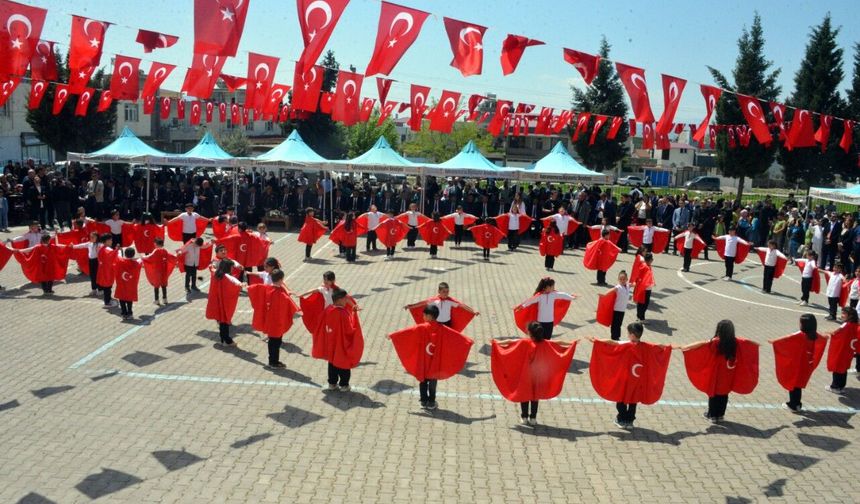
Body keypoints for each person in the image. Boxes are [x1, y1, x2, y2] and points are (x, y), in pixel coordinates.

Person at [389, 304, 474, 410]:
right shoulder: (442, 328)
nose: (423, 317)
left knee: (423, 381)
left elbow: (407, 332)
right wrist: (467, 341)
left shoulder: (421, 327)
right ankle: (431, 402)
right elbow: (455, 336)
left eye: (424, 315)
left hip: (423, 361)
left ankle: (423, 401)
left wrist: (393, 335)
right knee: (433, 382)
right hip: (435, 362)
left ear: (429, 316)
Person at [588, 323, 672, 429]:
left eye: (628, 333)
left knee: (621, 398)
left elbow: (611, 342)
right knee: (633, 400)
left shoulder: (626, 344)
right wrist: (670, 347)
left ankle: (621, 419)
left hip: (625, 379)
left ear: (632, 335)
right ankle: (630, 421)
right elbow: (659, 346)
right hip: (636, 380)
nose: (627, 334)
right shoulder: (646, 346)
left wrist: (596, 341)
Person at [490, 321, 576, 426]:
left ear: (529, 333)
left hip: (525, 375)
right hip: (538, 375)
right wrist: (572, 343)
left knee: (524, 394)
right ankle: (533, 418)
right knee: (535, 396)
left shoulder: (525, 342)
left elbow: (510, 342)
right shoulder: (545, 343)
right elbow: (558, 342)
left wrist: (496, 343)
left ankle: (524, 417)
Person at [679, 320, 760, 423]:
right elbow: (749, 342)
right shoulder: (736, 342)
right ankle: (720, 415)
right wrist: (757, 344)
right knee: (724, 395)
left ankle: (712, 415)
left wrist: (685, 347)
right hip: (729, 375)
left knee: (714, 395)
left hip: (717, 375)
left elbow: (702, 344)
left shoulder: (716, 342)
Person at [768, 313, 827, 412]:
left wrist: (774, 341)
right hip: (807, 364)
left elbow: (787, 338)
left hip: (798, 365)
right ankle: (798, 404)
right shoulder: (814, 335)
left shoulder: (800, 335)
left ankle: (793, 405)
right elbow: (823, 338)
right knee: (798, 385)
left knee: (793, 384)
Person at [312, 288, 363, 391]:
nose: (347, 301)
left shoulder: (328, 309)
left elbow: (321, 322)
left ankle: (332, 383)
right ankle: (344, 385)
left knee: (332, 363)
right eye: (345, 299)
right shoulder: (343, 313)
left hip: (331, 342)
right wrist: (354, 315)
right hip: (342, 343)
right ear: (339, 300)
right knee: (343, 363)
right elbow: (349, 329)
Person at [248, 269, 300, 368]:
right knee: (276, 342)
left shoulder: (267, 288)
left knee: (273, 341)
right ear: (281, 280)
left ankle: (273, 360)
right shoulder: (281, 294)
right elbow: (291, 306)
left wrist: (245, 286)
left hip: (269, 320)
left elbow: (255, 288)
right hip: (277, 322)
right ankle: (273, 362)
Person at [404, 282, 479, 330]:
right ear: (439, 291)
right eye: (444, 292)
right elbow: (422, 303)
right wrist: (410, 306)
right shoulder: (434, 300)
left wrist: (473, 311)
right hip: (437, 323)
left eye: (447, 291)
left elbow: (462, 305)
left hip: (447, 323)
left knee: (447, 338)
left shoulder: (450, 301)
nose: (446, 293)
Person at [206, 259, 245, 347]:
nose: (232, 269)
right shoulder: (226, 276)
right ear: (228, 267)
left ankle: (223, 340)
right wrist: (241, 284)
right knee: (224, 322)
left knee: (221, 322)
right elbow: (235, 281)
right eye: (231, 267)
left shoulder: (216, 273)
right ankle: (227, 341)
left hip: (217, 302)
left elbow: (211, 267)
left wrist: (212, 264)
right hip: (224, 303)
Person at [825, 306, 859, 394]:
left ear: (850, 316)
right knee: (843, 369)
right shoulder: (855, 325)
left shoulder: (846, 325)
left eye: (844, 313)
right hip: (848, 351)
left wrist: (830, 334)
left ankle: (835, 387)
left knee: (837, 369)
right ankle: (841, 386)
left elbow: (838, 334)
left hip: (841, 351)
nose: (842, 315)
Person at [141, 237, 177, 305]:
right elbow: (171, 256)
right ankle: (165, 299)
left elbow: (149, 257)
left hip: (157, 271)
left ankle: (157, 300)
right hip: (164, 270)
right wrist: (177, 255)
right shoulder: (164, 251)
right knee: (164, 285)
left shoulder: (156, 251)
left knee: (156, 285)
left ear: (155, 244)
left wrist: (142, 257)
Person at [114, 247, 143, 320]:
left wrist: (119, 250)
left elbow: (118, 256)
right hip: (131, 285)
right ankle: (130, 313)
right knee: (129, 298)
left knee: (121, 297)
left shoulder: (121, 261)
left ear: (125, 254)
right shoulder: (136, 263)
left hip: (121, 283)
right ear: (133, 254)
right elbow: (141, 259)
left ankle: (124, 313)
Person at [71, 231, 102, 296]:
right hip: (91, 261)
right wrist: (73, 246)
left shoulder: (100, 244)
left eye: (93, 237)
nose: (91, 238)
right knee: (92, 275)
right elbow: (81, 245)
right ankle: (94, 289)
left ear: (97, 237)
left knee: (98, 276)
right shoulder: (89, 243)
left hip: (97, 261)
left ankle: (100, 289)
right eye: (90, 237)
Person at [608, 271, 631, 340]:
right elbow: (611, 290)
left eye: (624, 279)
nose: (622, 281)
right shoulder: (618, 287)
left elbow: (633, 284)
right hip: (616, 309)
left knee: (619, 324)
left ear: (627, 279)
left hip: (622, 309)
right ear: (618, 279)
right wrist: (604, 294)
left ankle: (617, 336)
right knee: (615, 324)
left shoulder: (627, 286)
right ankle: (614, 337)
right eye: (620, 279)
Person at [633, 254, 655, 323]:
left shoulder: (646, 265)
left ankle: (639, 317)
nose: (652, 260)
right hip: (645, 288)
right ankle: (641, 318)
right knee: (644, 304)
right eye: (652, 259)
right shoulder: (645, 267)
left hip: (645, 287)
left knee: (641, 303)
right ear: (649, 260)